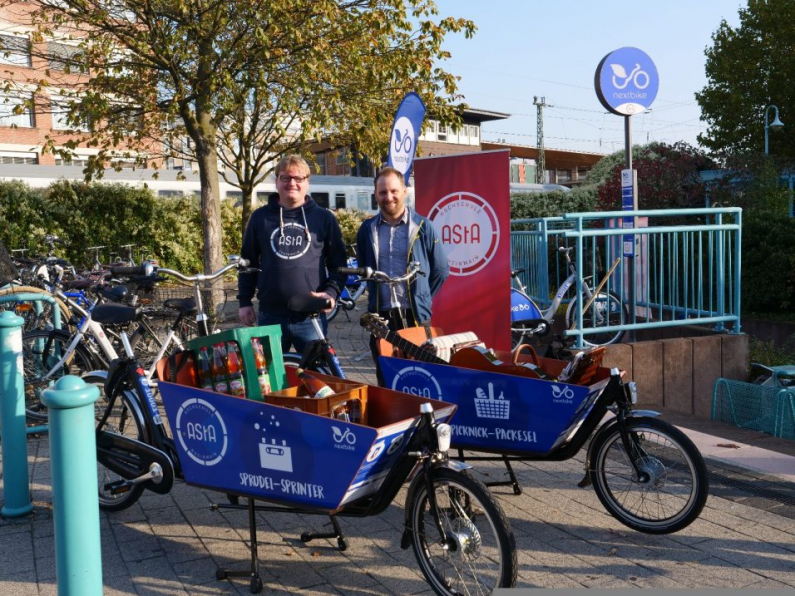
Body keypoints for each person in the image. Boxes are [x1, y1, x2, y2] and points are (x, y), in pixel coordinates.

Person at [237, 155, 347, 354]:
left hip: (310, 318)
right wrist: (244, 302)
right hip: (270, 316)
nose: (292, 183)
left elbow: (338, 264)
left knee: (317, 378)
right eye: (285, 178)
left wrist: (331, 293)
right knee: (270, 380)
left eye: (299, 178)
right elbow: (247, 263)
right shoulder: (260, 218)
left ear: (308, 181)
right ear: (276, 181)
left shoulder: (324, 218)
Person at [356, 166, 449, 382]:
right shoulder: (367, 229)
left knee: (422, 379)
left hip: (415, 317)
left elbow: (441, 270)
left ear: (404, 191)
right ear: (375, 195)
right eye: (382, 192)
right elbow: (365, 269)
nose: (388, 197)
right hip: (380, 318)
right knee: (386, 378)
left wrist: (422, 297)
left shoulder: (424, 227)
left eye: (394, 191)